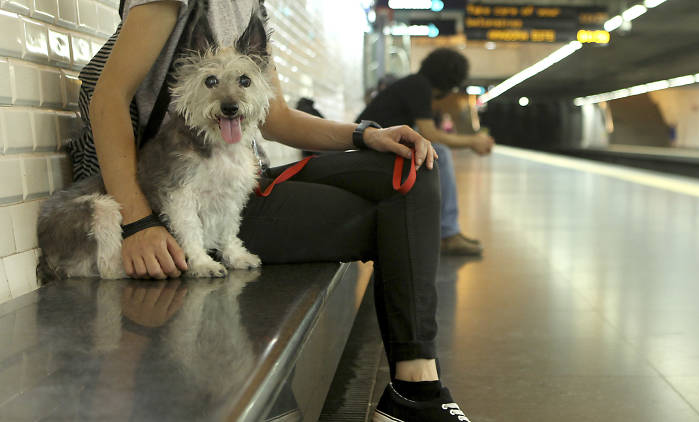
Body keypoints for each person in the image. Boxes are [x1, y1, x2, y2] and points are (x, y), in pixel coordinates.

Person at [67, 0, 470, 420]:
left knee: (413, 166)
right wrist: (138, 223)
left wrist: (365, 134)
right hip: (187, 199)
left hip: (241, 183)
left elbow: (275, 117)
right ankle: (414, 400)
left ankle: (414, 389)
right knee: (399, 224)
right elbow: (107, 97)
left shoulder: (248, 6)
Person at [357, 48, 495, 256]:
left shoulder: (414, 84)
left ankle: (445, 231)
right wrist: (472, 141)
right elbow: (432, 135)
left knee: (434, 152)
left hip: (369, 148)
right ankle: (448, 235)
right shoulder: (419, 86)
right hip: (366, 152)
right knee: (440, 152)